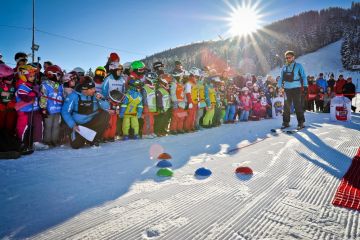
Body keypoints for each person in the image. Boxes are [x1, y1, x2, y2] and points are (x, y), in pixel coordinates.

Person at [61, 77, 110, 149]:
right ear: (84, 90)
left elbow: (106, 107)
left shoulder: (96, 95)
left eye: (94, 88)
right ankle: (83, 137)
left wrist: (101, 99)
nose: (94, 90)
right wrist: (73, 125)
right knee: (76, 145)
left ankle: (95, 139)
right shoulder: (74, 96)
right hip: (79, 126)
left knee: (105, 115)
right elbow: (65, 112)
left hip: (92, 122)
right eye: (91, 89)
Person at [16, 65, 48, 151]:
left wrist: (39, 94)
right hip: (25, 111)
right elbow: (25, 98)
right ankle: (21, 143)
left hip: (35, 109)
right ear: (24, 76)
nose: (33, 78)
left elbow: (39, 95)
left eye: (34, 76)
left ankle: (36, 142)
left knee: (38, 124)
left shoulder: (35, 85)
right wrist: (34, 92)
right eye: (30, 76)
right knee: (24, 127)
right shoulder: (22, 86)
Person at [278, 51, 307, 130]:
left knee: (297, 105)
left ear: (293, 57)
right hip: (287, 89)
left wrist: (305, 86)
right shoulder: (284, 67)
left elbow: (304, 76)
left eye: (289, 57)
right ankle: (286, 122)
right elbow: (281, 78)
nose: (288, 59)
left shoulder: (298, 66)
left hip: (296, 88)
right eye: (286, 58)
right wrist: (279, 86)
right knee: (286, 106)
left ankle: (301, 122)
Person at [39, 65, 64, 146]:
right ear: (51, 74)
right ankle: (47, 140)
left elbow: (61, 95)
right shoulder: (45, 85)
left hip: (57, 109)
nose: (59, 77)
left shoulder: (59, 85)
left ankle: (55, 139)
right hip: (49, 109)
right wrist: (43, 108)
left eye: (60, 75)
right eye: (58, 75)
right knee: (48, 125)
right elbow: (43, 97)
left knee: (56, 125)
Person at [0, 64, 17, 136]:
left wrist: (13, 101)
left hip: (10, 108)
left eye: (12, 77)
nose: (11, 79)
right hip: (1, 109)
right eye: (9, 78)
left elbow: (16, 95)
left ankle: (8, 137)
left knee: (10, 123)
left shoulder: (13, 85)